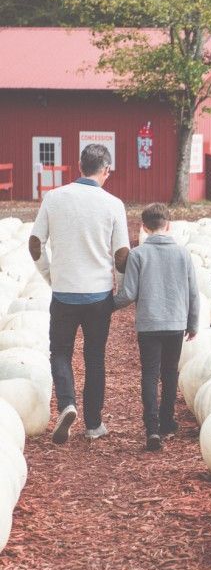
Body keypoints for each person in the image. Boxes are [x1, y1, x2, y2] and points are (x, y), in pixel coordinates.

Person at [29, 143, 130, 443]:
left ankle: (66, 404)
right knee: (95, 357)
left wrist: (51, 276)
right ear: (106, 170)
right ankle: (94, 424)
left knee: (60, 352)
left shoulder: (54, 198)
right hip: (98, 295)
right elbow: (122, 253)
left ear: (78, 165)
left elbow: (35, 243)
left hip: (64, 293)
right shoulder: (113, 204)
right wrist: (120, 292)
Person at [113, 202, 199, 451]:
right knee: (170, 372)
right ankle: (166, 422)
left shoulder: (138, 254)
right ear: (169, 225)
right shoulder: (183, 254)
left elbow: (128, 293)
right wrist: (192, 322)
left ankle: (151, 429)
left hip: (149, 325)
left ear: (144, 227)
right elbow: (193, 292)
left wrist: (107, 305)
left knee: (150, 374)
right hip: (175, 323)